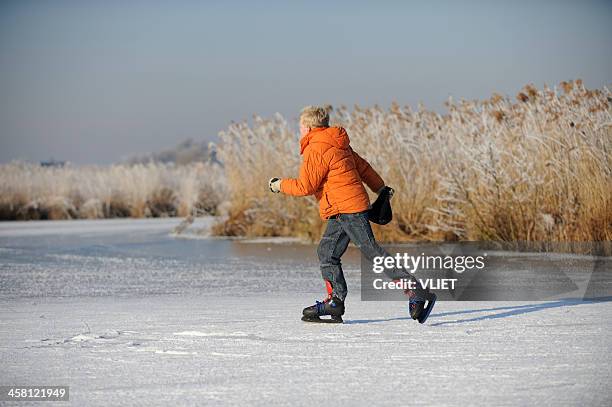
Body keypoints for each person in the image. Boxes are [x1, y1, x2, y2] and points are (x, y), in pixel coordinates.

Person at [268, 106, 435, 323]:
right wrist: (380, 188)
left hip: (348, 209)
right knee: (327, 253)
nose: (299, 131)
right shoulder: (337, 142)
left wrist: (279, 185)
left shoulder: (316, 147)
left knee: (371, 251)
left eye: (300, 126)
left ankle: (415, 291)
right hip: (342, 208)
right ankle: (335, 302)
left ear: (308, 128)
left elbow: (305, 186)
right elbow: (363, 167)